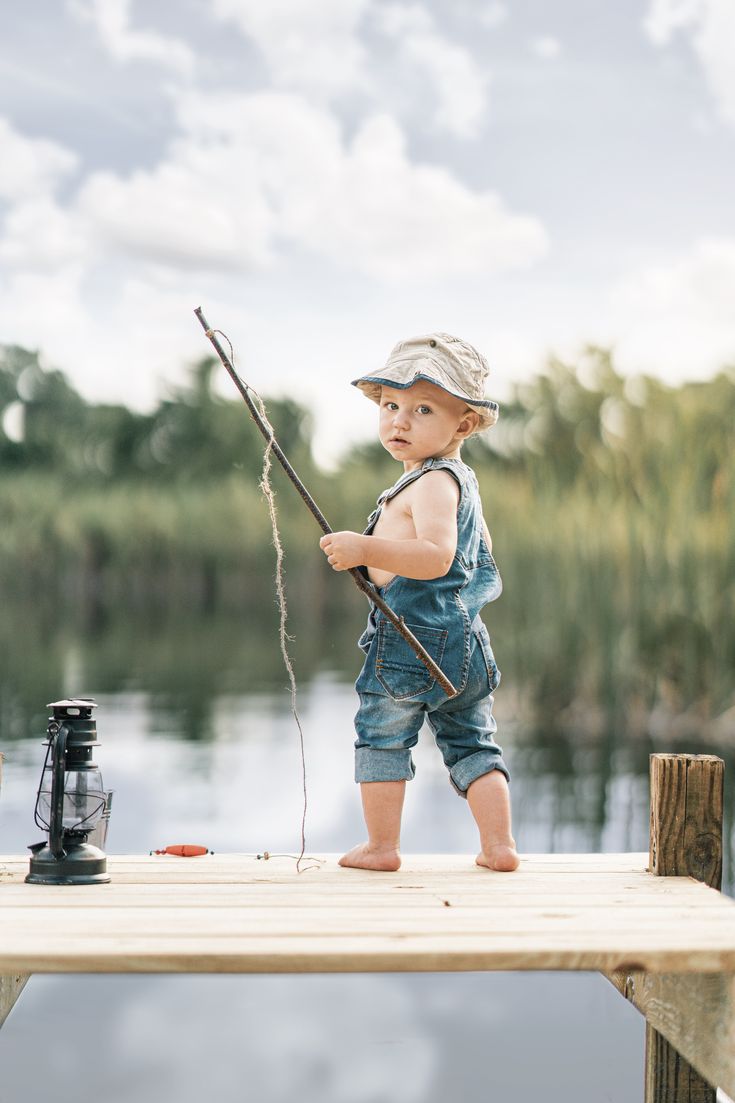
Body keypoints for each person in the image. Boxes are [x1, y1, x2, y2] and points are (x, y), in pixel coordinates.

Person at [319, 333, 519, 873]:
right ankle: (498, 847)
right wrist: (368, 566)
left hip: (412, 638)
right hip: (466, 641)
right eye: (390, 406)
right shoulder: (453, 482)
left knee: (382, 736)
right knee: (473, 741)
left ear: (464, 424)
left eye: (422, 408)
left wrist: (363, 547)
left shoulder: (434, 484)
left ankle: (383, 848)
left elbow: (435, 557)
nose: (398, 421)